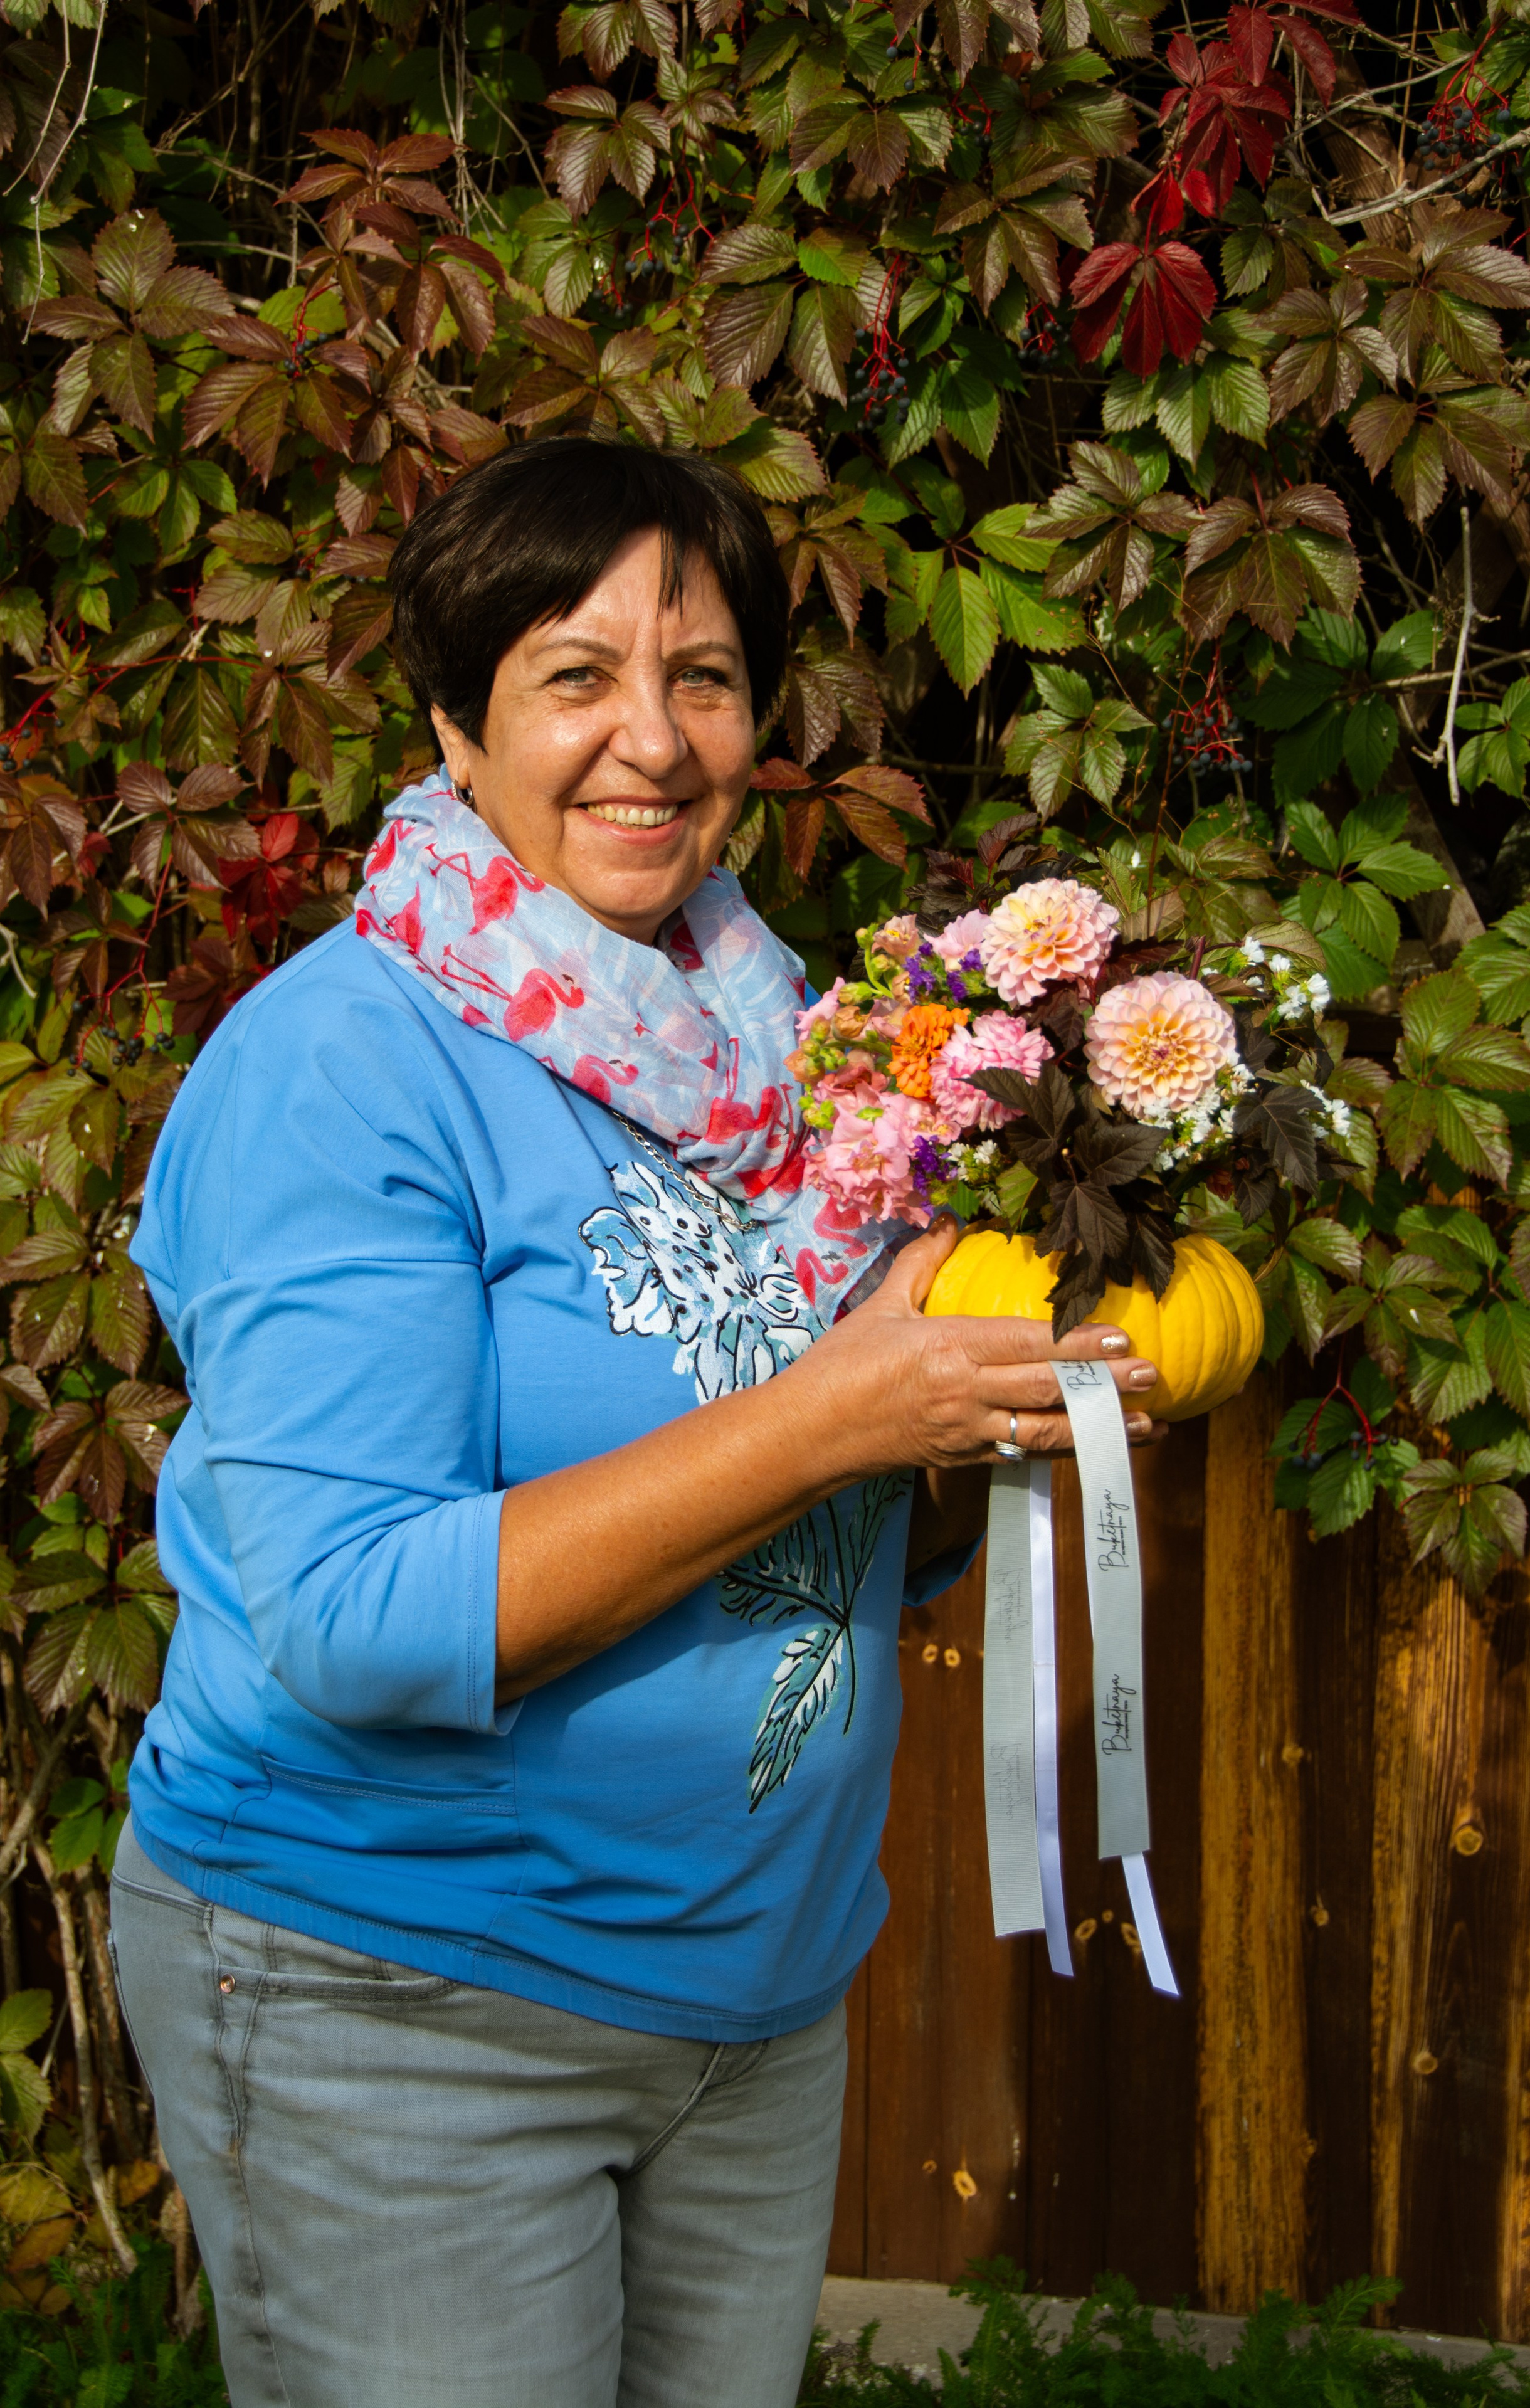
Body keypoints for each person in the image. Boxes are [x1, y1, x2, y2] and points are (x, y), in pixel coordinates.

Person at [109, 436, 1162, 2408]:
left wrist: (977, 1430)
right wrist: (838, 1419)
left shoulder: (784, 1044)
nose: (650, 741)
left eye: (703, 678)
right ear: (456, 723)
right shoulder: (348, 1067)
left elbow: (847, 1521)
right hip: (405, 2004)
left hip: (748, 2003)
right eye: (574, 676)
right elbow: (354, 1612)